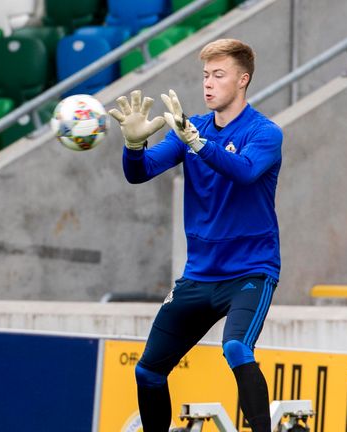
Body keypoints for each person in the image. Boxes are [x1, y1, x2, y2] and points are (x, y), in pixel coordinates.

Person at [108, 38, 283, 432]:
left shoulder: (265, 132)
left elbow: (245, 171)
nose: (208, 84)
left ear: (243, 80)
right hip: (200, 275)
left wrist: (200, 145)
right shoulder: (190, 129)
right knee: (148, 371)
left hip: (250, 272)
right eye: (205, 75)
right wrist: (134, 145)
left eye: (218, 75)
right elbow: (140, 172)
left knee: (237, 348)